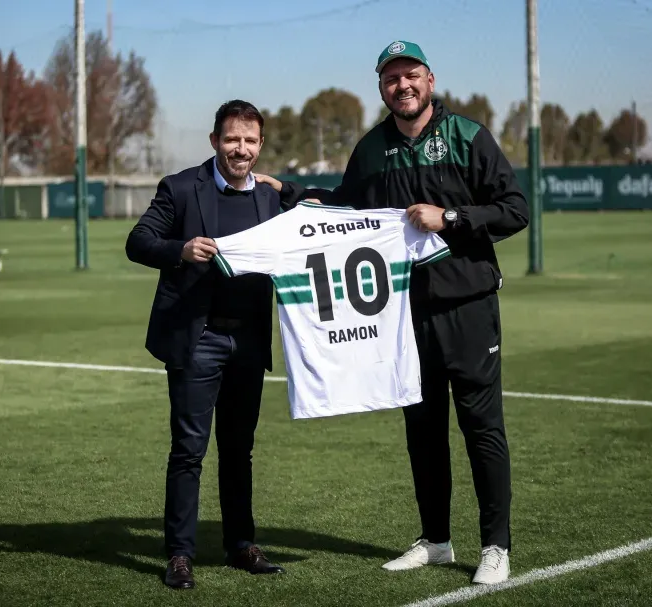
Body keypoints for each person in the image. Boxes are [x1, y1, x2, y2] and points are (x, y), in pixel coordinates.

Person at [256, 41, 529, 585]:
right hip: (402, 314)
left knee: (482, 427)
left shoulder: (467, 137)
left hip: (469, 305)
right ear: (381, 87)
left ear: (429, 78)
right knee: (422, 429)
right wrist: (290, 192)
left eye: (410, 76)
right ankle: (437, 541)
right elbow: (347, 208)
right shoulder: (372, 147)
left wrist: (449, 216)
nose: (401, 86)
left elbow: (514, 209)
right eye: (390, 79)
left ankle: (495, 545)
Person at [125, 99, 287, 590]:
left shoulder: (269, 196)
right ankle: (179, 554)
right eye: (233, 139)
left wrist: (290, 188)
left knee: (240, 450)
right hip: (199, 339)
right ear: (215, 141)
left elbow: (321, 207)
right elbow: (138, 241)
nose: (242, 149)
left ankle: (241, 545)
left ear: (260, 145)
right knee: (189, 450)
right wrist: (181, 250)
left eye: (251, 141)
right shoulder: (179, 188)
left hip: (249, 340)